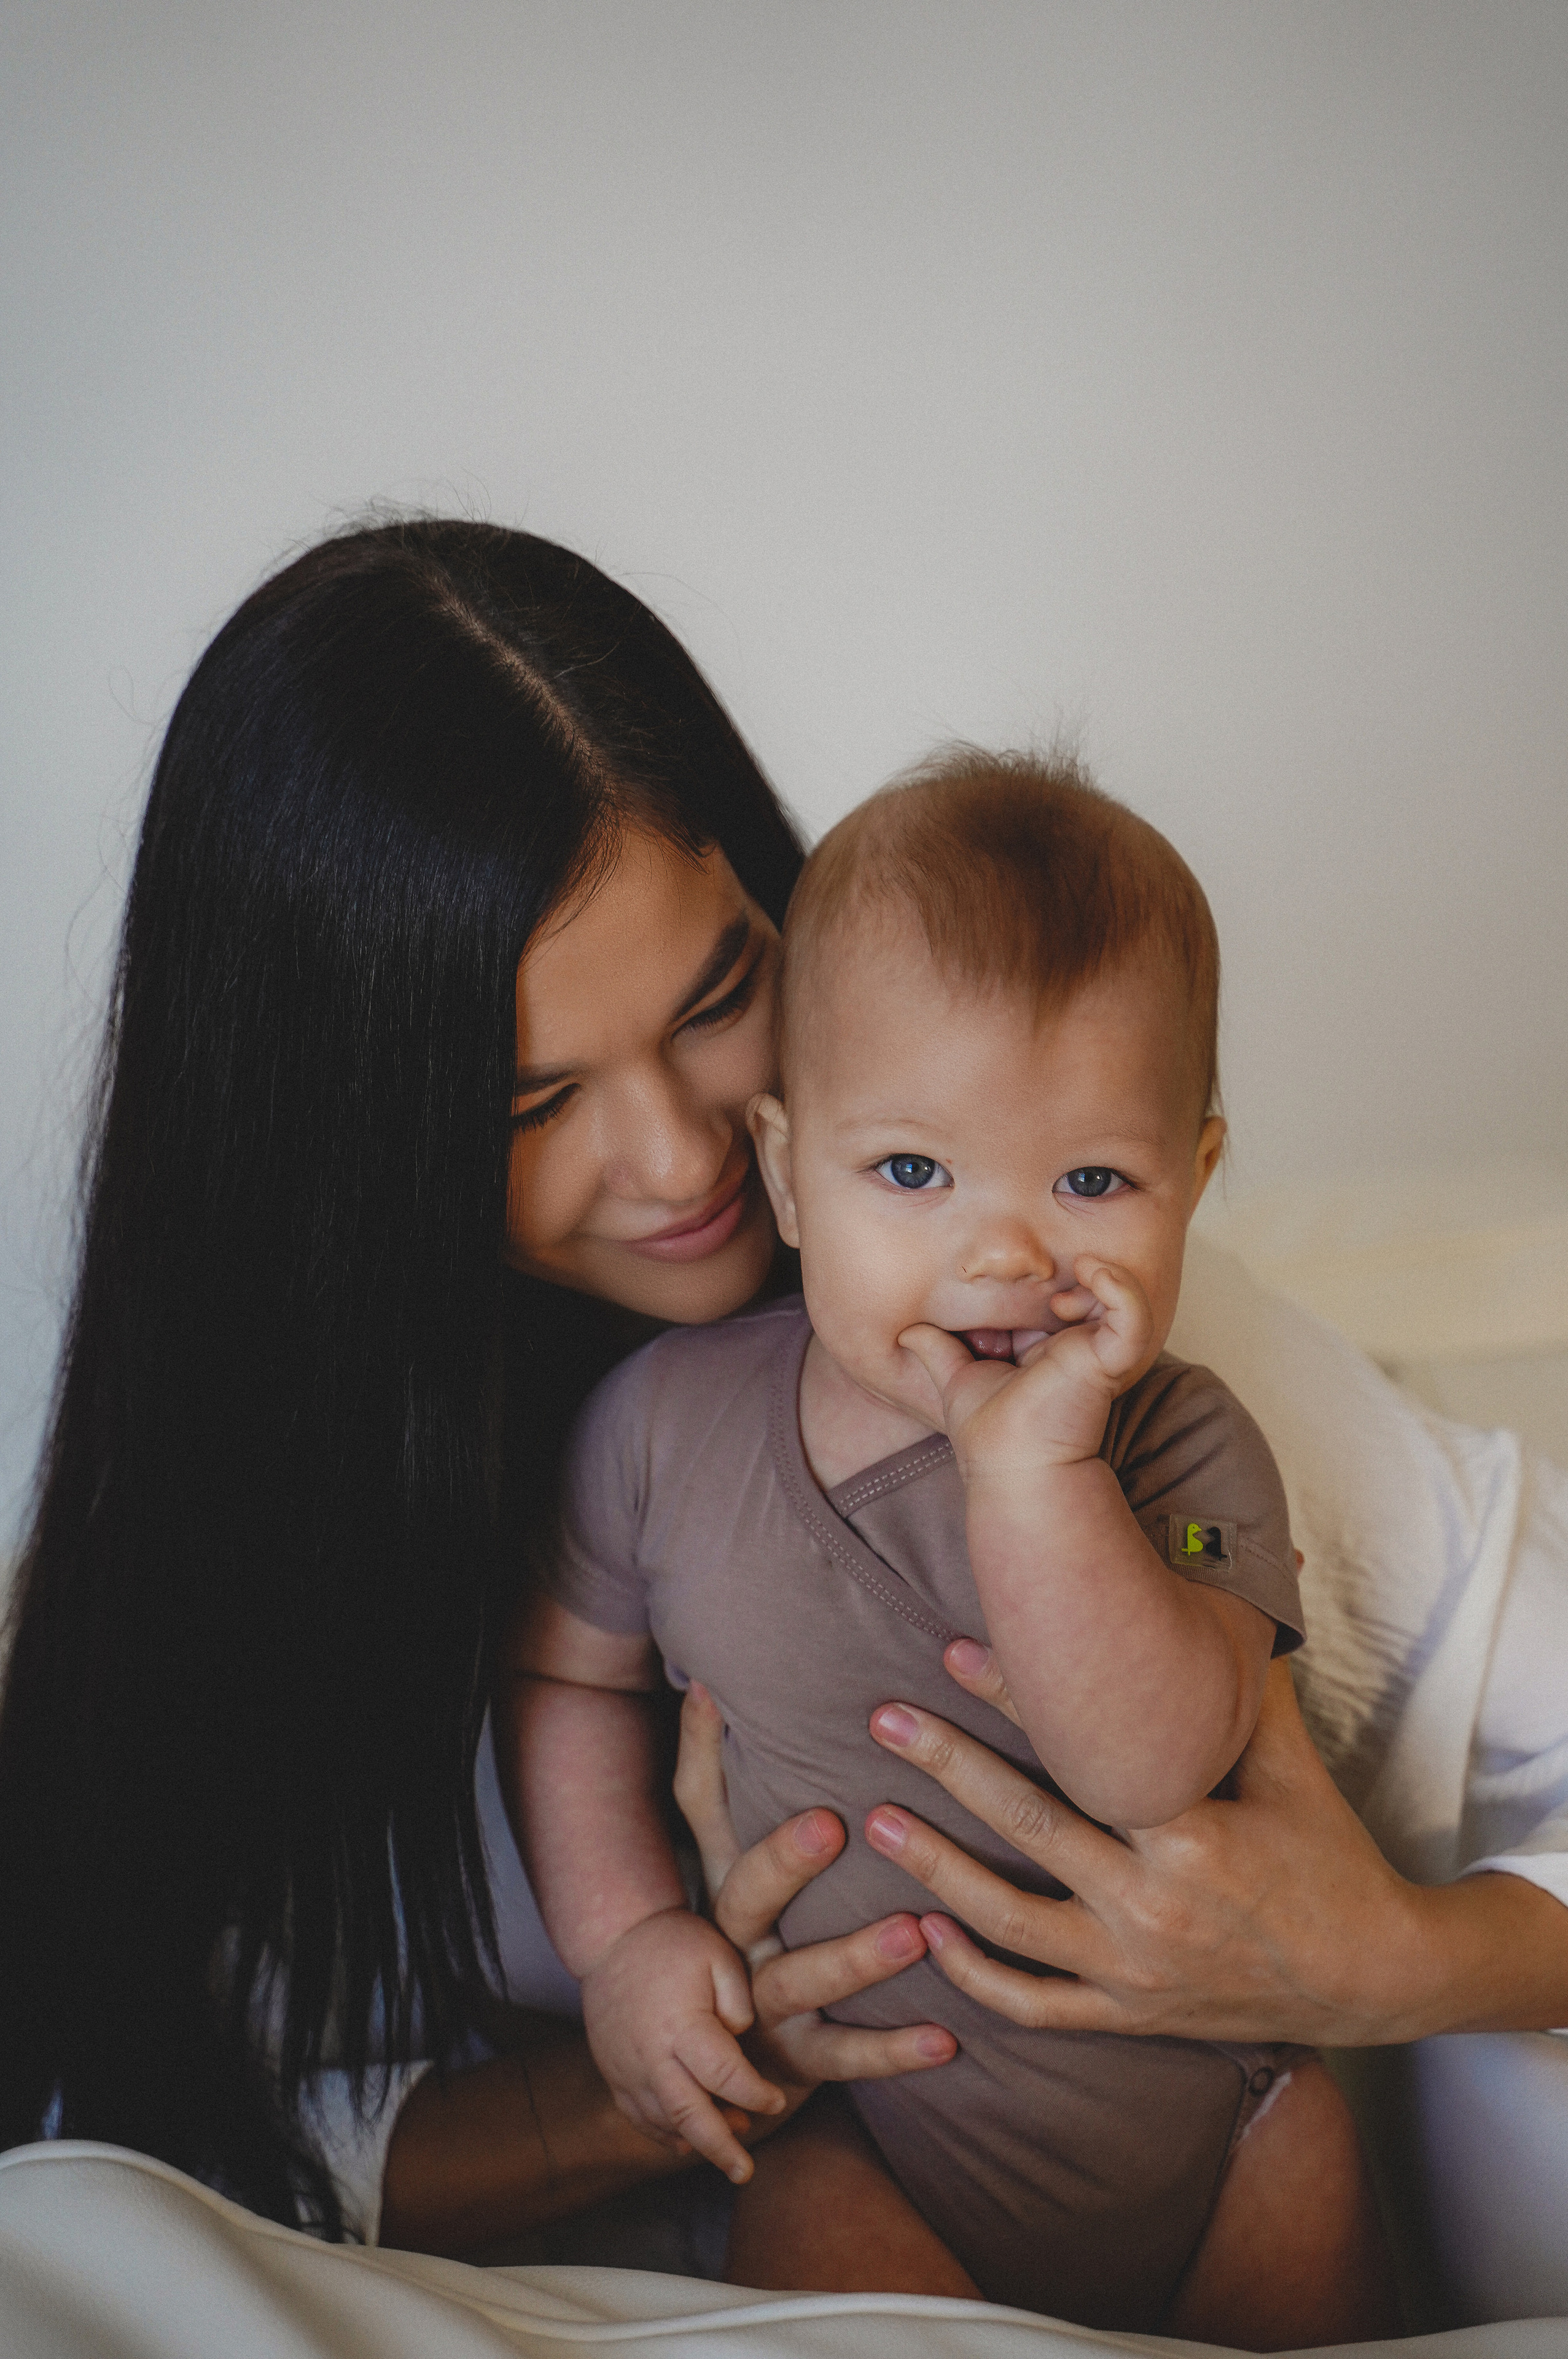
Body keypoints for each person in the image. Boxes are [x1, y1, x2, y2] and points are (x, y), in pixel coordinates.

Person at [0, 519, 961, 2273]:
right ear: (335, 1140)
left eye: (723, 994)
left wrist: (1356, 1948)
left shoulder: (993, 1287)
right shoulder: (239, 1556)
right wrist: (660, 2071)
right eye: (530, 1107)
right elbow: (144, 2130)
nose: (678, 1161)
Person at [506, 751, 1397, 2337]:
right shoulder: (658, 1428)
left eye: (1093, 1179)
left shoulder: (1183, 1450)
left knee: (1315, 2202)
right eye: (911, 1172)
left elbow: (1147, 1769)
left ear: (1194, 1178)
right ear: (787, 1170)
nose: (1004, 1253)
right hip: (875, 2147)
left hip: (1226, 2119)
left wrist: (1038, 1473)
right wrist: (631, 1941)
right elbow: (570, 1686)